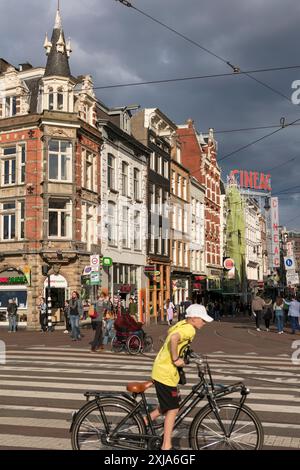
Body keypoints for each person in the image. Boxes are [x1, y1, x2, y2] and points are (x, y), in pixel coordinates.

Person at [149, 303, 213, 450]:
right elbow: (174, 338)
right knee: (173, 409)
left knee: (172, 402)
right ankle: (166, 445)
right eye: (202, 319)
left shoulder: (182, 323)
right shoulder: (190, 329)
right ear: (194, 318)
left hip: (163, 371)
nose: (204, 323)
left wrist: (188, 352)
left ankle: (145, 420)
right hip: (165, 372)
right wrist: (176, 358)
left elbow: (170, 334)